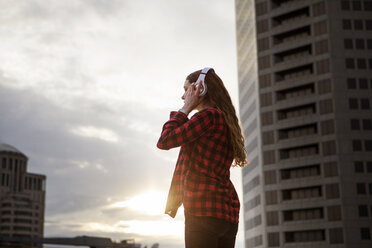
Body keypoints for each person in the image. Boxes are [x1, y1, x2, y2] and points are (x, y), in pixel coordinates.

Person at [157, 68, 247, 248]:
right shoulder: (224, 119)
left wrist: (185, 110)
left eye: (186, 90)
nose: (183, 96)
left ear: (201, 89)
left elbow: (165, 140)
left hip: (203, 209)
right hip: (227, 213)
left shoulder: (208, 116)